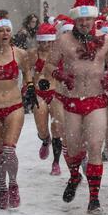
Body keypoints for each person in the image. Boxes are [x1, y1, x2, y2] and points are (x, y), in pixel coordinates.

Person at [45, 0, 108, 215]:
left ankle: (94, 200)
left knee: (96, 146)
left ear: (94, 19)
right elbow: (49, 65)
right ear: (75, 19)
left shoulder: (105, 39)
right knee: (74, 148)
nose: (85, 23)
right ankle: (75, 175)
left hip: (97, 99)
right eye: (81, 19)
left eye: (89, 19)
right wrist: (60, 75)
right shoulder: (64, 40)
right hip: (72, 99)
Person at [0, 17, 35, 209]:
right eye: (1, 31)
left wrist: (30, 87)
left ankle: (13, 184)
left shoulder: (20, 53)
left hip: (14, 106)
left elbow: (28, 74)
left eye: (8, 30)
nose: (5, 33)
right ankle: (2, 188)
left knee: (9, 149)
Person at [27, 23, 65, 175]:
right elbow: (27, 71)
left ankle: (56, 163)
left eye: (50, 41)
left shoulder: (59, 53)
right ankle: (45, 140)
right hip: (39, 94)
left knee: (57, 128)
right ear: (39, 41)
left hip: (56, 93)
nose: (47, 44)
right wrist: (29, 86)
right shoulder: (32, 53)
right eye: (44, 42)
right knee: (42, 129)